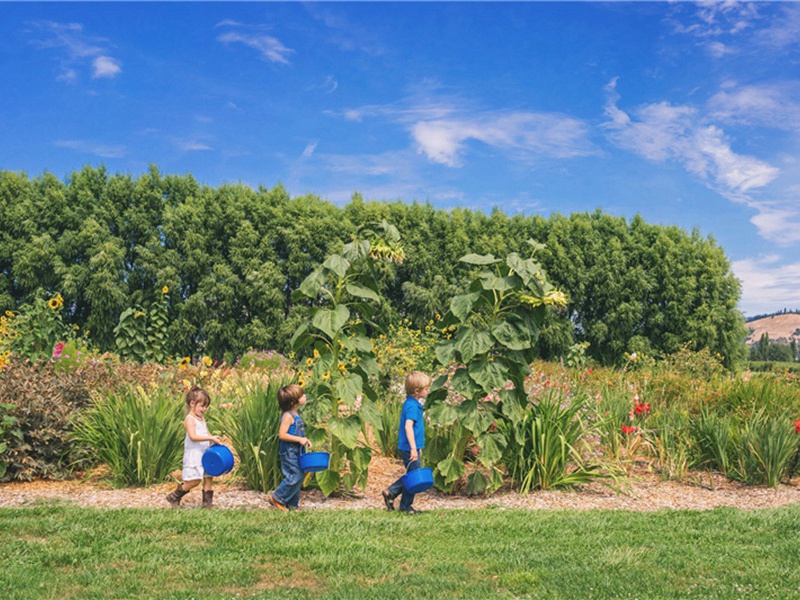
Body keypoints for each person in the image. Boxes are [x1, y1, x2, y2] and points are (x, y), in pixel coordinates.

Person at [382, 371, 431, 514]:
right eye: (426, 389)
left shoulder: (410, 403)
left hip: (411, 447)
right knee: (415, 478)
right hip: (410, 448)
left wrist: (417, 447)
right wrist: (413, 449)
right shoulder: (412, 407)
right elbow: (408, 427)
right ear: (417, 391)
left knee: (413, 474)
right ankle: (405, 506)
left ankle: (391, 493)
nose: (428, 391)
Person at [166, 387, 223, 509]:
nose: (204, 409)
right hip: (195, 454)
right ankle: (175, 495)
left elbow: (207, 434)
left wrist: (214, 439)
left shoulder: (202, 419)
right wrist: (210, 438)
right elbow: (193, 436)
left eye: (206, 406)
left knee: (208, 477)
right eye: (202, 406)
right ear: (192, 404)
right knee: (195, 480)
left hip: (206, 454)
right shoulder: (189, 419)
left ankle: (207, 505)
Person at [269, 384, 312, 511]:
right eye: (301, 395)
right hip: (289, 452)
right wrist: (300, 439)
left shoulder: (296, 414)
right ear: (294, 401)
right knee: (295, 476)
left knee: (299, 475)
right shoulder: (288, 416)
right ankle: (277, 498)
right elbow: (282, 435)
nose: (304, 396)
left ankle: (292, 505)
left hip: (297, 451)